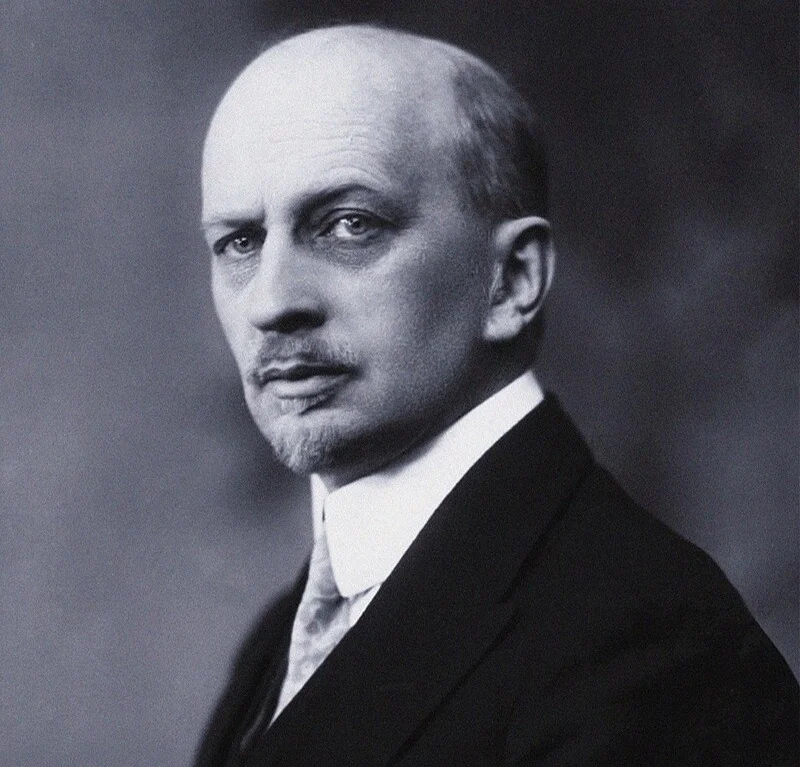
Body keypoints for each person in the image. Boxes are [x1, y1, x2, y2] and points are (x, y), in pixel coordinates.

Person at [195, 23, 798, 766]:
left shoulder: (646, 646)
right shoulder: (277, 643)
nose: (271, 301)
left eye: (349, 225)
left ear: (512, 280)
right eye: (240, 243)